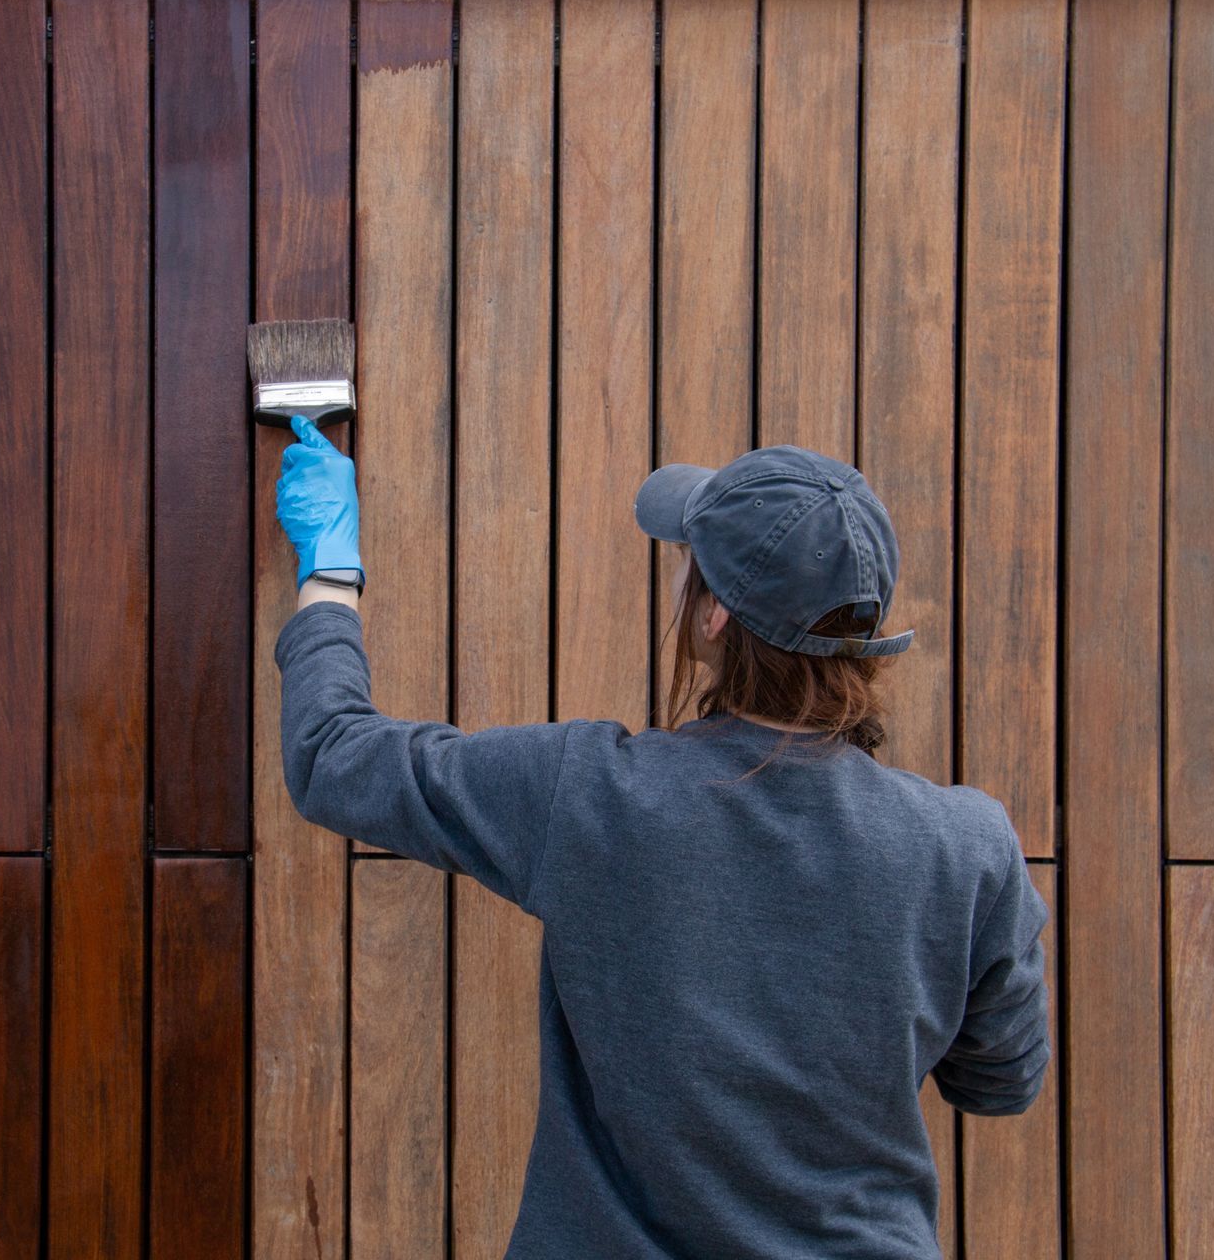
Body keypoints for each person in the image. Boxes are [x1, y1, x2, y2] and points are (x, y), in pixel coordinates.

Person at [270, 414, 1052, 1259]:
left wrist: (331, 571)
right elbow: (1000, 1082)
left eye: (689, 566)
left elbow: (332, 755)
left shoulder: (591, 794)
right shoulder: (970, 847)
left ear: (715, 616)